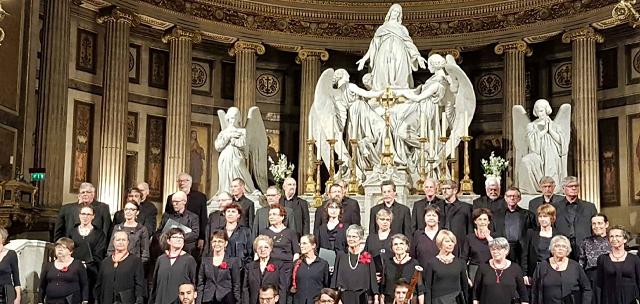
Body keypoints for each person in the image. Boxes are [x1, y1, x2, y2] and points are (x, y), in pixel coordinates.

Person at [356, 3, 426, 91]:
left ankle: (400, 92)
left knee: (400, 71)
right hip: (384, 51)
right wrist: (364, 59)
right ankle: (383, 92)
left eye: (398, 12)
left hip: (399, 51)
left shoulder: (402, 28)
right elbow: (373, 46)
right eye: (394, 11)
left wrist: (417, 56)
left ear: (399, 15)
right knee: (382, 69)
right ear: (390, 12)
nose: (395, 13)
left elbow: (409, 43)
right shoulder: (381, 28)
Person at [518, 99, 569, 195]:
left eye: (541, 111)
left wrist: (551, 130)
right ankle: (534, 188)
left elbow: (562, 142)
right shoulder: (531, 125)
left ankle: (550, 187)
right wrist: (544, 131)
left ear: (546, 110)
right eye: (537, 111)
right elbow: (531, 142)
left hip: (552, 153)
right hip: (536, 153)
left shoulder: (555, 125)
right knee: (525, 161)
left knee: (550, 155)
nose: (540, 113)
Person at [531, 235, 591, 304]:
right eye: (557, 246)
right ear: (552, 249)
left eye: (564, 247)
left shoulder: (575, 266)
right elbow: (534, 291)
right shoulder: (542, 266)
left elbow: (587, 289)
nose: (561, 249)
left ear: (568, 250)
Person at [260, 204, 300, 299]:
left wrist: (293, 269)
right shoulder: (264, 232)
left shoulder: (290, 232)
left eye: (274, 214)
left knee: (283, 294)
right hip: (270, 268)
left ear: (282, 217)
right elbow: (259, 251)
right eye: (270, 215)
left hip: (286, 269)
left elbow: (296, 253)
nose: (271, 217)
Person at [68, 205, 107, 303]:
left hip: (91, 273)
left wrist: (86, 264)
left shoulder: (99, 234)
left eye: (88, 214)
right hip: (72, 271)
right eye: (83, 214)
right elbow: (67, 249)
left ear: (93, 216)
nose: (85, 216)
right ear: (79, 215)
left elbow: (99, 252)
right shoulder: (72, 232)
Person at [552, 176, 597, 259]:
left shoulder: (589, 207)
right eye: (570, 186)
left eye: (576, 186)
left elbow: (595, 228)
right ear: (563, 188)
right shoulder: (554, 207)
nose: (574, 188)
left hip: (584, 247)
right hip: (562, 247)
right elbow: (552, 227)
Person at [331, 225, 378, 304]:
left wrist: (376, 299)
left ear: (360, 239)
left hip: (362, 297)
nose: (351, 239)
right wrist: (337, 298)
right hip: (343, 297)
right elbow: (334, 279)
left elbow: (373, 280)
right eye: (349, 236)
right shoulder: (341, 255)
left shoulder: (367, 256)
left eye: (354, 236)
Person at [472, 238, 529, 304]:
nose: (495, 252)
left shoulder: (515, 269)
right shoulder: (483, 268)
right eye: (493, 249)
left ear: (506, 250)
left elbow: (523, 295)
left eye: (498, 249)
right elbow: (476, 294)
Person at [95, 231, 146, 304]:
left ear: (128, 242)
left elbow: (140, 284)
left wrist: (139, 300)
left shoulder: (135, 261)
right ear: (113, 242)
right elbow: (99, 285)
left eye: (123, 240)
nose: (120, 242)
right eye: (118, 240)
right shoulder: (105, 263)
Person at [150, 228, 198, 304]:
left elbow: (194, 283)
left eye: (181, 238)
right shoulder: (161, 259)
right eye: (175, 237)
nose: (179, 239)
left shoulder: (189, 260)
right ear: (168, 241)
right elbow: (155, 285)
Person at [596, 225, 640, 304]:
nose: (614, 239)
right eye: (611, 236)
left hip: (631, 300)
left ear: (625, 239)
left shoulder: (634, 259)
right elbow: (599, 284)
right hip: (609, 299)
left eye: (618, 236)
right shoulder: (602, 259)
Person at [165, 173, 208, 251]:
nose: (182, 183)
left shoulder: (200, 197)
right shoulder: (171, 197)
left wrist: (202, 237)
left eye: (185, 181)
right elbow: (167, 216)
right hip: (174, 235)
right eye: (180, 181)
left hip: (193, 236)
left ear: (190, 183)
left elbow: (203, 218)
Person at [424, 230, 469, 304]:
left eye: (452, 242)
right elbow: (428, 287)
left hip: (455, 300)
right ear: (440, 243)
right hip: (438, 301)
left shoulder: (460, 263)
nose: (450, 244)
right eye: (447, 241)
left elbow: (465, 287)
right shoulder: (432, 263)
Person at [39, 238, 89, 304]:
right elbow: (42, 285)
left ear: (70, 251)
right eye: (58, 247)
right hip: (51, 301)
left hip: (70, 301)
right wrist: (40, 301)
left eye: (63, 248)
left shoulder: (77, 265)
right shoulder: (48, 266)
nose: (60, 249)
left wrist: (85, 300)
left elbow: (84, 284)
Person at [491, 187, 533, 265]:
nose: (512, 198)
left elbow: (531, 235)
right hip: (502, 251)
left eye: (514, 196)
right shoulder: (496, 215)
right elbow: (493, 232)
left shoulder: (528, 215)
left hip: (521, 253)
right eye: (509, 196)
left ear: (519, 198)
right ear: (505, 198)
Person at [197, 230, 241, 304]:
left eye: (220, 241)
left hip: (226, 299)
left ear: (225, 243)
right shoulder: (205, 261)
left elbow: (236, 285)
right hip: (208, 299)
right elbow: (200, 283)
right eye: (214, 241)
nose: (217, 244)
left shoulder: (233, 261)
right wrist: (198, 301)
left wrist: (238, 302)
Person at [521, 204, 560, 285]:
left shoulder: (559, 235)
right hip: (534, 272)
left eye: (545, 216)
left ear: (552, 218)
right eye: (540, 216)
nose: (542, 219)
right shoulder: (531, 233)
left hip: (553, 271)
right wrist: (524, 274)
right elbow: (525, 255)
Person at [243, 236, 288, 304]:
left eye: (266, 247)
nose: (263, 250)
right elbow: (245, 289)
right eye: (260, 247)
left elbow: (282, 288)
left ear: (270, 249)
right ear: (256, 250)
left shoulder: (279, 265)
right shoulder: (249, 267)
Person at [380, 234, 423, 304]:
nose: (398, 246)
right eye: (395, 244)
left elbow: (420, 289)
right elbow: (383, 287)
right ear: (392, 247)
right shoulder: (387, 263)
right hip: (389, 301)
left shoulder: (414, 263)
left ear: (406, 246)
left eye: (401, 244)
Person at [578, 213, 611, 302]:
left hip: (610, 276)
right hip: (592, 277)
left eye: (599, 223)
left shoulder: (612, 240)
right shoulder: (585, 242)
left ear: (606, 224)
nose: (596, 226)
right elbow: (581, 263)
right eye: (594, 224)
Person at [437, 180, 473, 256]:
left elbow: (470, 230)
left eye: (448, 188)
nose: (444, 191)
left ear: (455, 190)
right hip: (440, 248)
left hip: (459, 247)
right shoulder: (437, 207)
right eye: (443, 189)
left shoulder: (466, 207)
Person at [291, 235, 330, 304]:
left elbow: (326, 286)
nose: (301, 246)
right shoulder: (296, 263)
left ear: (313, 245)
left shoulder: (323, 264)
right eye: (300, 243)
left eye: (304, 243)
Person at [461, 208, 494, 284]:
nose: (482, 222)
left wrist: (489, 238)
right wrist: (466, 276)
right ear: (475, 221)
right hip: (474, 270)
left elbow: (498, 253)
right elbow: (463, 258)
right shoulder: (469, 238)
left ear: (488, 221)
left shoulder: (494, 237)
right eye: (480, 219)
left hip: (490, 269)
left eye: (485, 219)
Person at [411, 205, 441, 271]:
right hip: (422, 273)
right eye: (428, 215)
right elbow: (413, 256)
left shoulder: (444, 233)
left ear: (438, 218)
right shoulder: (417, 234)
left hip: (441, 274)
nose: (431, 218)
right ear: (424, 218)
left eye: (434, 215)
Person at [365, 209, 394, 277]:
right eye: (382, 219)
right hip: (373, 276)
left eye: (387, 220)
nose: (385, 222)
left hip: (391, 277)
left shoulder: (395, 238)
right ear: (377, 221)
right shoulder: (371, 238)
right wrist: (371, 274)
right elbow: (365, 258)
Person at [0, 228, 20, 304]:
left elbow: (16, 278)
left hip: (6, 293)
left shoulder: (11, 254)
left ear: (3, 239)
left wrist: (18, 297)